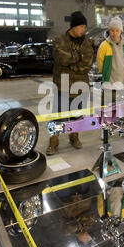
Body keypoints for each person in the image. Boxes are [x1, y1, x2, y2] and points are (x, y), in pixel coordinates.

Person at [46, 11, 94, 155]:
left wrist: (70, 64)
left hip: (80, 87)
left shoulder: (87, 43)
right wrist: (78, 57)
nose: (83, 30)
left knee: (77, 116)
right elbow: (60, 57)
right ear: (73, 26)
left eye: (84, 27)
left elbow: (88, 64)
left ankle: (74, 138)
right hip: (62, 86)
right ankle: (53, 143)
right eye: (81, 27)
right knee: (57, 117)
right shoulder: (59, 40)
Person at [96, 16, 124, 106]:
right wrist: (105, 72)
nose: (114, 33)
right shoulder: (104, 45)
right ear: (109, 31)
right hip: (109, 85)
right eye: (112, 30)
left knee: (121, 111)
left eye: (117, 30)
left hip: (123, 84)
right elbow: (99, 62)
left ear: (121, 31)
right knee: (107, 110)